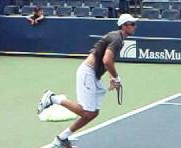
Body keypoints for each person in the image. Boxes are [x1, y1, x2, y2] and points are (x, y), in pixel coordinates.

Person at [37, 14, 138, 148]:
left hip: (93, 75)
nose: (134, 26)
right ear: (124, 26)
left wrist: (111, 77)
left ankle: (62, 138)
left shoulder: (118, 38)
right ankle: (53, 98)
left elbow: (107, 60)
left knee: (93, 113)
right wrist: (116, 77)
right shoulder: (117, 39)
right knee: (85, 111)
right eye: (132, 24)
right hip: (87, 73)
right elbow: (107, 60)